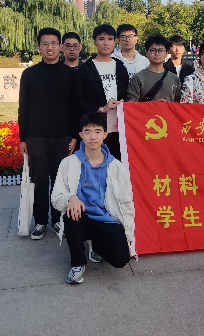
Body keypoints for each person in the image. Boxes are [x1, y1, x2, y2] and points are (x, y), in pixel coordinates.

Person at [51, 111, 135, 284]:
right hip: (81, 218)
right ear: (81, 135)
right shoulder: (68, 163)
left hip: (106, 219)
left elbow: (127, 202)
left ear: (105, 134)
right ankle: (77, 264)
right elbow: (56, 198)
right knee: (71, 215)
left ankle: (97, 246)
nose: (92, 137)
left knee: (121, 259)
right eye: (87, 131)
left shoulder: (116, 166)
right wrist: (70, 198)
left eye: (97, 131)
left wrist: (127, 236)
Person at [18, 27, 77, 240]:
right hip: (36, 136)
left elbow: (75, 107)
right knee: (40, 180)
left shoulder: (71, 74)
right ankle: (41, 221)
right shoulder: (29, 74)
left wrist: (74, 135)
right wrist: (22, 139)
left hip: (63, 136)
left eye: (53, 43)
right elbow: (23, 107)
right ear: (39, 47)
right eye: (45, 44)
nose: (49, 48)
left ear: (60, 47)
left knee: (60, 180)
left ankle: (58, 219)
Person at [73, 24, 128, 160]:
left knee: (117, 165)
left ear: (115, 42)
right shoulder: (85, 69)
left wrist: (124, 102)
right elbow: (77, 100)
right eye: (101, 39)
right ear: (95, 42)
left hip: (119, 129)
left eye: (110, 39)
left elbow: (127, 93)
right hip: (96, 129)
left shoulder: (120, 66)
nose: (106, 43)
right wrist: (101, 108)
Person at [127, 35, 181, 102]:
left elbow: (178, 105)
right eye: (153, 50)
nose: (157, 53)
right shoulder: (138, 78)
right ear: (147, 53)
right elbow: (132, 105)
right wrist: (154, 105)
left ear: (167, 53)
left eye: (160, 50)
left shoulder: (174, 79)